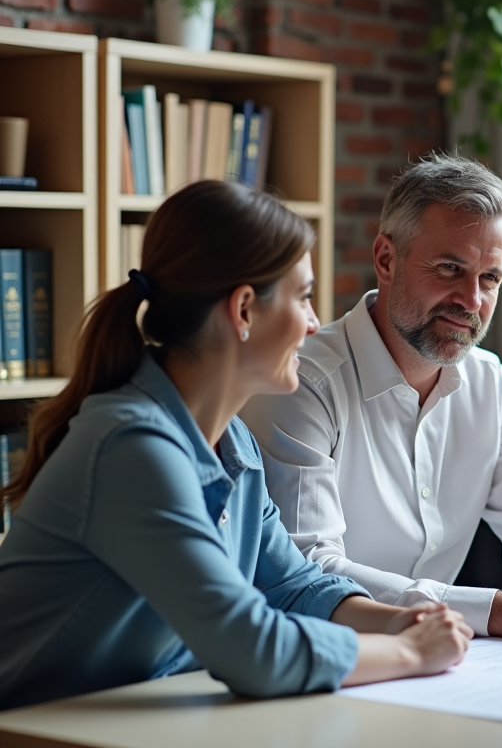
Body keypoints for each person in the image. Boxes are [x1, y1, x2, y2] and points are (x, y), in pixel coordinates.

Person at [0, 181, 472, 712]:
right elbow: (250, 650)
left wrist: (402, 619)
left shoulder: (235, 444)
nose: (315, 323)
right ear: (244, 310)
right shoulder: (131, 447)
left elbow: (292, 586)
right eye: (304, 296)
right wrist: (408, 652)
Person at [240, 153, 502, 645]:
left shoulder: (487, 383)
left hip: (441, 664)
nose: (471, 300)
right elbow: (310, 573)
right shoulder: (301, 383)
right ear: (386, 259)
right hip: (327, 658)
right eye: (450, 268)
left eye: (490, 278)